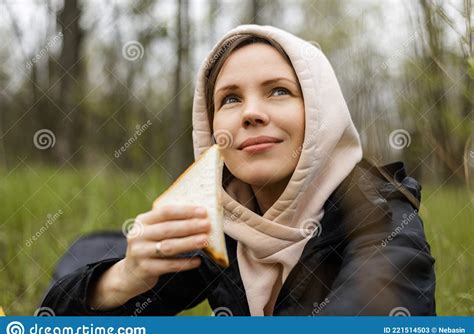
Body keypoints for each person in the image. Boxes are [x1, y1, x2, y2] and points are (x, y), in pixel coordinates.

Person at [41, 25, 436, 316]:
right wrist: (123, 278)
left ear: (322, 112)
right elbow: (51, 325)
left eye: (279, 90)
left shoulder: (383, 220)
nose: (250, 113)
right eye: (230, 99)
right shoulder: (220, 228)